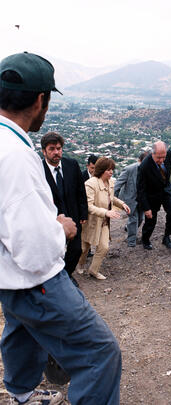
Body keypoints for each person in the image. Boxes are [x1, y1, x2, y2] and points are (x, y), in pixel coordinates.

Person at [0, 52, 121, 405]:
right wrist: (62, 229)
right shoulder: (17, 156)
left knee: (21, 327)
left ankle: (22, 392)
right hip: (35, 281)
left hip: (7, 276)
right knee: (100, 353)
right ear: (41, 101)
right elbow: (35, 251)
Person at [41, 131, 88, 288]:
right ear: (44, 151)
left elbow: (81, 191)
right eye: (52, 149)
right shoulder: (38, 170)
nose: (56, 152)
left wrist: (83, 213)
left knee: (76, 250)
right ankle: (54, 280)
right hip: (51, 221)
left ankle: (67, 275)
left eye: (59, 148)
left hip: (73, 216)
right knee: (55, 253)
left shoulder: (71, 165)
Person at [78, 157, 130, 279]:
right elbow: (89, 206)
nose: (111, 172)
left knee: (104, 247)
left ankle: (93, 270)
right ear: (101, 170)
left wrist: (122, 204)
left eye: (112, 169)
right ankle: (80, 264)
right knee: (84, 248)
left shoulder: (111, 183)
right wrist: (106, 212)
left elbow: (111, 199)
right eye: (108, 169)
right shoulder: (90, 184)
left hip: (104, 222)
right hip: (91, 222)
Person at [137, 141, 171, 250]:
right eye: (158, 158)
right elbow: (140, 189)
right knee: (151, 220)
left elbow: (167, 170)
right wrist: (146, 208)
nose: (161, 160)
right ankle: (145, 239)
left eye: (163, 157)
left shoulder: (168, 154)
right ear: (152, 154)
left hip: (165, 189)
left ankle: (167, 237)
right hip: (152, 194)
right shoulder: (144, 166)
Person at [114, 151, 149, 247]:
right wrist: (113, 199)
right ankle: (131, 242)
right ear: (139, 161)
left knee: (141, 219)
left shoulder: (149, 170)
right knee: (133, 219)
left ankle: (128, 228)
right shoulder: (129, 169)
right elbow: (118, 184)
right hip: (129, 199)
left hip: (141, 200)